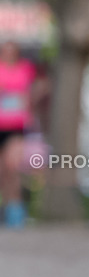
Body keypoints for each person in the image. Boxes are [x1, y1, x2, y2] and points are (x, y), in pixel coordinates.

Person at [0, 41, 38, 227]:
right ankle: (6, 210)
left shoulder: (26, 69)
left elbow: (33, 91)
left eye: (11, 50)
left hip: (16, 126)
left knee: (12, 169)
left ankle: (16, 216)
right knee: (2, 173)